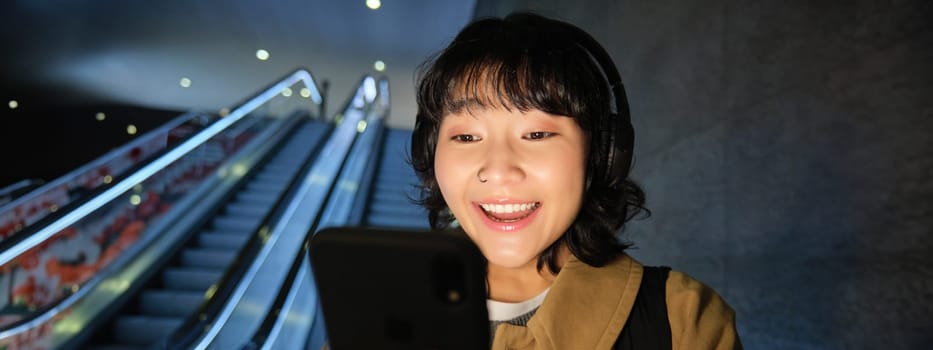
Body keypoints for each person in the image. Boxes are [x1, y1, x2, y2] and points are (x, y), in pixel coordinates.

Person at [410, 11, 741, 350]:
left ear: (601, 153)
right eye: (466, 137)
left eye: (537, 134)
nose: (498, 170)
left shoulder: (682, 319)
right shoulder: (371, 301)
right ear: (429, 152)